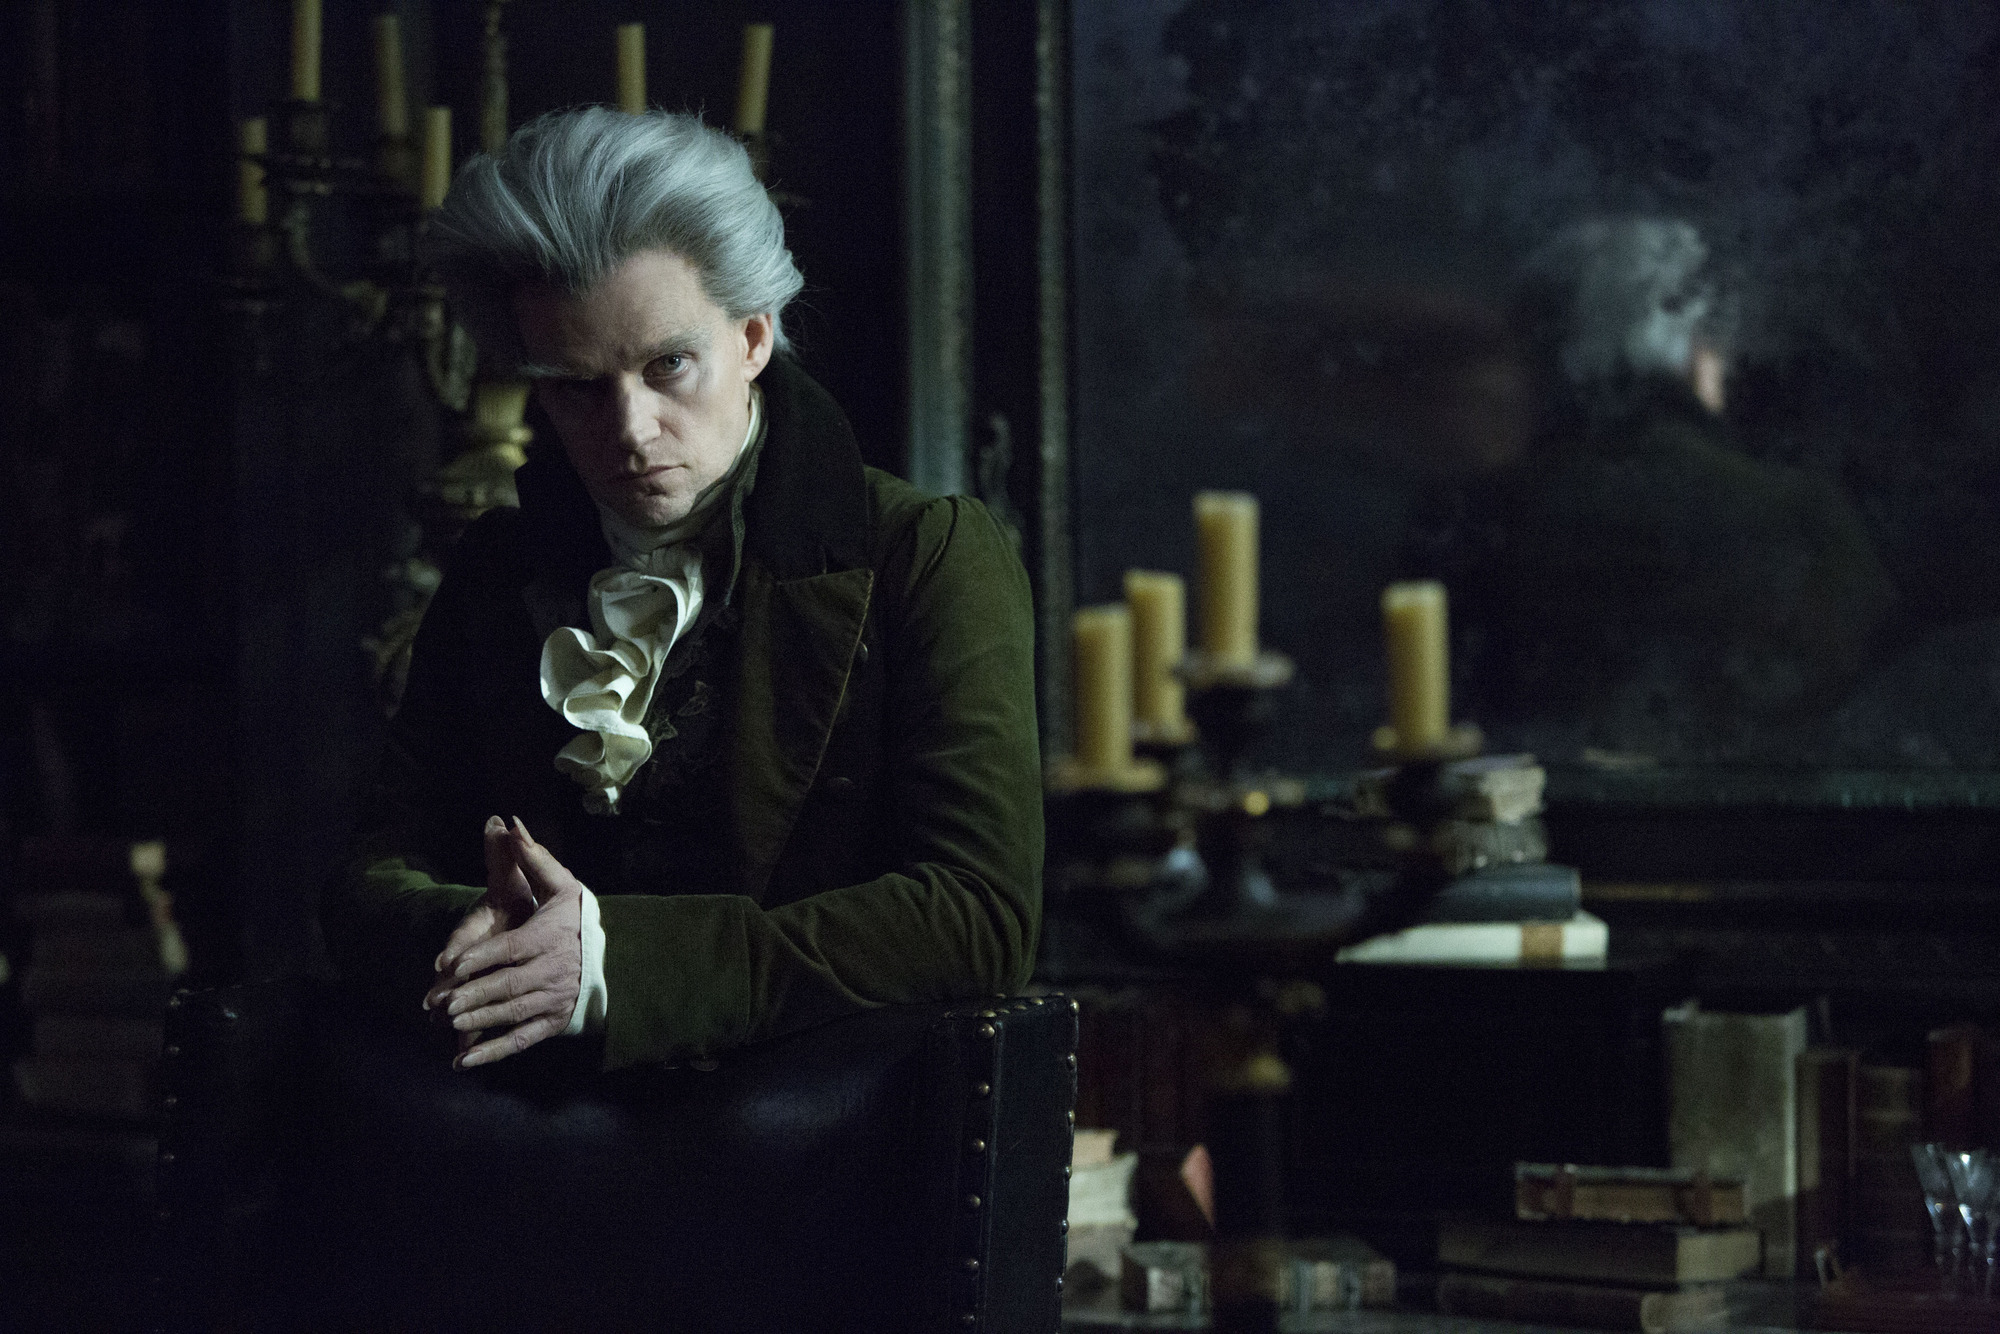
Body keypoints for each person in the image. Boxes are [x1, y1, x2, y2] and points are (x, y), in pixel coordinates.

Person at [321, 107, 1042, 1073]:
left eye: (668, 366)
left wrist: (616, 963)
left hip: (814, 1126)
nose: (630, 430)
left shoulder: (925, 556)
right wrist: (487, 938)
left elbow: (980, 915)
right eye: (576, 386)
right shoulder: (498, 571)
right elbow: (369, 878)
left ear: (753, 338)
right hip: (535, 1128)